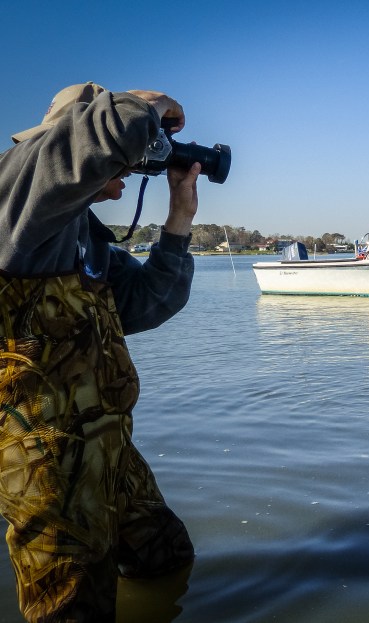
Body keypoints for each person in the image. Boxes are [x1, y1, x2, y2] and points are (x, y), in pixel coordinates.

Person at [0, 82, 201, 621]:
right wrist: (150, 107)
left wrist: (180, 217)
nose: (128, 169)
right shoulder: (16, 198)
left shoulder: (84, 236)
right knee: (72, 607)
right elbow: (79, 148)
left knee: (165, 558)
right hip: (45, 466)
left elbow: (146, 302)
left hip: (111, 449)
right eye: (122, 156)